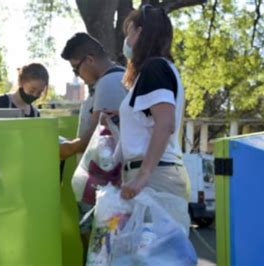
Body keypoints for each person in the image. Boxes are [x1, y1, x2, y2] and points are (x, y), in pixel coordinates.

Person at [115, 5, 191, 224]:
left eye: (128, 32)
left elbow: (164, 123)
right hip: (155, 176)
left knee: (155, 256)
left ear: (140, 32)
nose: (126, 40)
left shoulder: (154, 68)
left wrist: (142, 176)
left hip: (155, 178)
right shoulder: (157, 69)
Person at [59, 32, 127, 256]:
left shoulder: (109, 82)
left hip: (102, 188)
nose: (77, 75)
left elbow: (99, 136)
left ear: (89, 59)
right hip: (101, 187)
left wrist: (68, 148)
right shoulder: (109, 81)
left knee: (97, 252)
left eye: (75, 68)